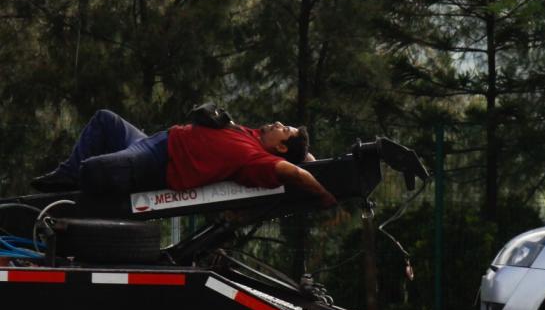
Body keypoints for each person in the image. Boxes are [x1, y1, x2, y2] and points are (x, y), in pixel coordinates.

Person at [32, 108, 337, 207]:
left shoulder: (259, 160)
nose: (277, 124)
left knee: (94, 172)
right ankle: (67, 174)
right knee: (105, 120)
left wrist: (327, 196)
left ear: (282, 148)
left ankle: (76, 182)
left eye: (284, 129)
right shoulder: (252, 134)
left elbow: (297, 174)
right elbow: (304, 158)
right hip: (155, 140)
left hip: (158, 162)